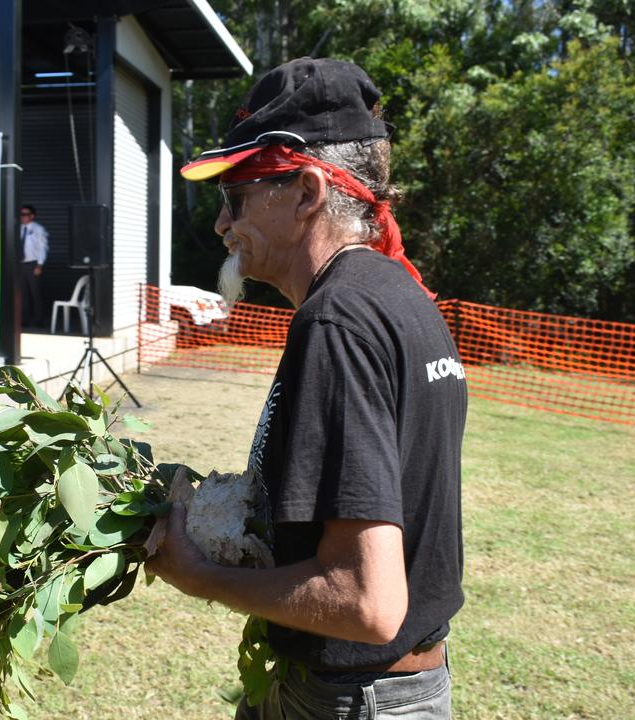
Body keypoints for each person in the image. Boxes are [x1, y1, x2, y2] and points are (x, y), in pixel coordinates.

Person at [146, 58, 467, 720]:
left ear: (306, 191)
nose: (221, 224)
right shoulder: (397, 293)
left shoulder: (337, 319)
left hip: (355, 700)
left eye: (236, 194)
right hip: (386, 689)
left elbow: (368, 603)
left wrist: (200, 576)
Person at [18, 204, 49, 327]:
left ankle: (39, 319)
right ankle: (24, 319)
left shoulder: (38, 229)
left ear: (32, 216)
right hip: (20, 264)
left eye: (25, 214)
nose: (22, 217)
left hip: (32, 264)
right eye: (21, 214)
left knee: (35, 292)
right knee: (22, 293)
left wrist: (39, 265)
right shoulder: (18, 228)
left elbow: (43, 247)